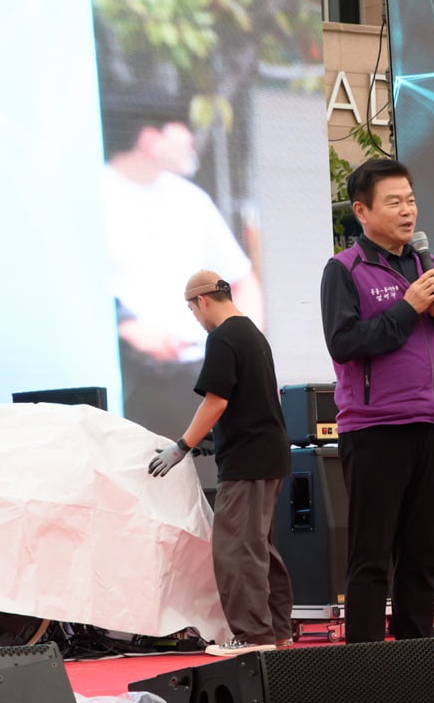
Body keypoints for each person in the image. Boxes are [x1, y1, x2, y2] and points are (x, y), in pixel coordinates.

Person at [320, 158, 434, 643]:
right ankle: (367, 672)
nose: (408, 211)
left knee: (422, 556)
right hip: (375, 429)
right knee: (371, 557)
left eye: (410, 199)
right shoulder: (345, 269)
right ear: (362, 211)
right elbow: (344, 343)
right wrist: (408, 308)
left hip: (433, 422)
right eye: (394, 202)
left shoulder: (431, 265)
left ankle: (415, 667)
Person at [100, 77, 263, 446]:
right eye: (182, 127)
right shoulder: (95, 193)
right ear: (149, 138)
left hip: (200, 377)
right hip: (131, 380)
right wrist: (127, 329)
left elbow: (243, 280)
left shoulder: (190, 199)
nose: (191, 137)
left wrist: (248, 347)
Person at [148, 270, 292, 657]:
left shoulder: (224, 336)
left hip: (247, 461)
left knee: (235, 549)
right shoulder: (253, 333)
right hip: (269, 452)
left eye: (192, 309)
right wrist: (214, 438)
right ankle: (278, 631)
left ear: (203, 301)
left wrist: (182, 446)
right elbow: (252, 398)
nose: (195, 317)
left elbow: (216, 400)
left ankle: (252, 636)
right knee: (260, 547)